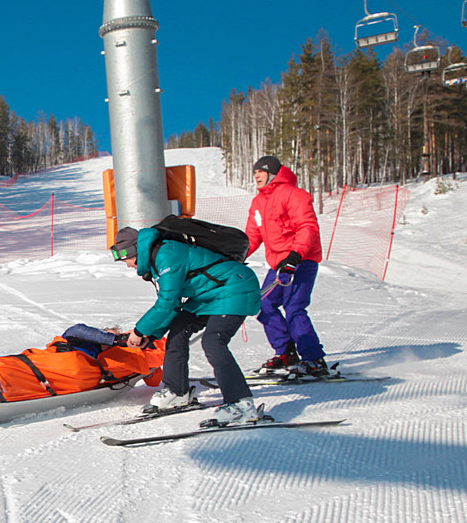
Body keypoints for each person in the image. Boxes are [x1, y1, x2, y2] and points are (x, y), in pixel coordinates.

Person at [112, 225, 262, 426]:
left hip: (234, 287)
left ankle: (241, 404)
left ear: (134, 251)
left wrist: (140, 331)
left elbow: (166, 302)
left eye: (126, 259)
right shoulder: (157, 258)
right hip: (208, 295)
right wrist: (151, 334)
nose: (128, 265)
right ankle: (177, 392)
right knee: (178, 332)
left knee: (213, 342)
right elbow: (172, 304)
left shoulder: (166, 254)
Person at [245, 155, 328, 376]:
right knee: (262, 304)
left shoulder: (294, 195)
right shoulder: (258, 202)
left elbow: (307, 227)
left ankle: (314, 360)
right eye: (254, 173)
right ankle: (286, 353)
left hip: (300, 260)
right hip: (278, 265)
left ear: (272, 173)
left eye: (260, 172)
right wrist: (237, 255)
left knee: (293, 307)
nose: (256, 176)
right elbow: (253, 235)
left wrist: (294, 256)